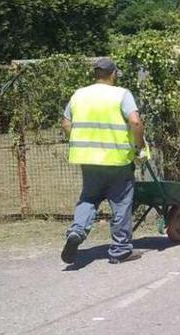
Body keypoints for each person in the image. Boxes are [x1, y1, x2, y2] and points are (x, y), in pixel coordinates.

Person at [60, 57, 147, 265]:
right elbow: (135, 121)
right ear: (113, 74)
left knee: (89, 199)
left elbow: (65, 124)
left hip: (88, 160)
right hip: (117, 160)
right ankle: (120, 250)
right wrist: (138, 147)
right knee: (121, 204)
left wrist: (83, 140)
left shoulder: (78, 95)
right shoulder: (121, 94)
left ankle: (77, 232)